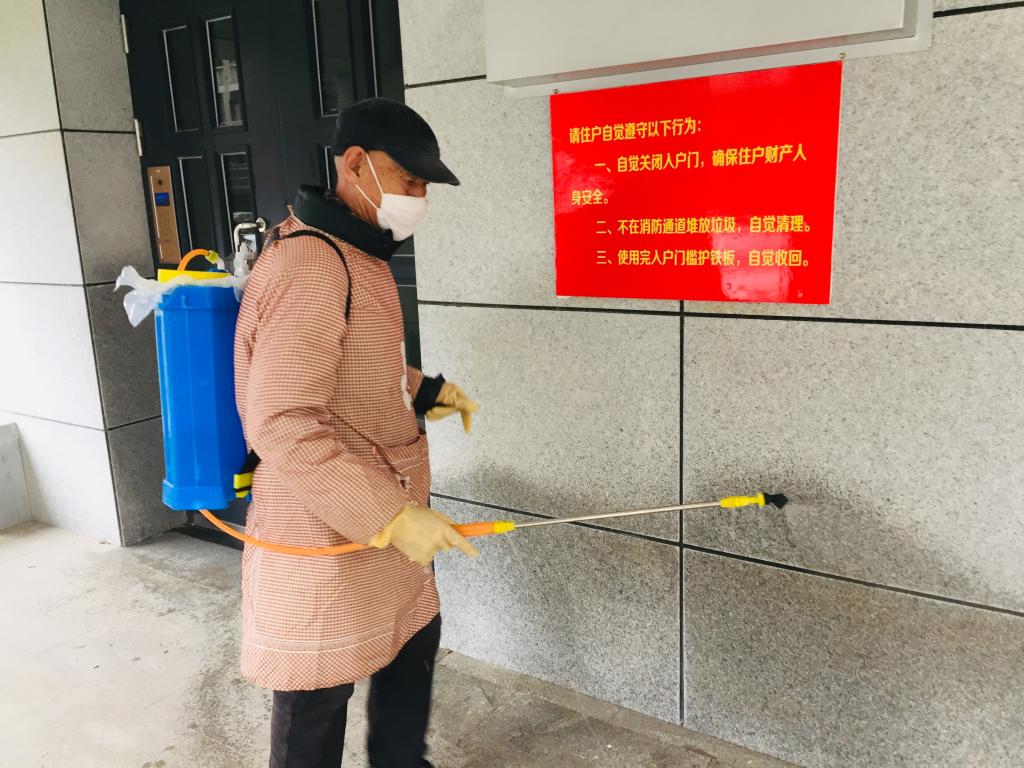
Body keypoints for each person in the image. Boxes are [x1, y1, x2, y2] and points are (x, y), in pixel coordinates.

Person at [233, 97, 480, 768]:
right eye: (410, 180)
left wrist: (424, 391)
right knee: (317, 692)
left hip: (380, 518)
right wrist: (391, 516)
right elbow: (282, 418)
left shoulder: (357, 252)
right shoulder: (311, 265)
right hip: (324, 527)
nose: (419, 198)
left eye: (426, 185)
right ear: (355, 164)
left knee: (413, 641)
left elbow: (353, 362)